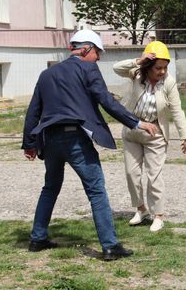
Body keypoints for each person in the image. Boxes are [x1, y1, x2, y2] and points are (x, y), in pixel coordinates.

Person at [22, 29, 158, 261]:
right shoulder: (88, 68)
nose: (98, 58)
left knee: (50, 188)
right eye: (97, 52)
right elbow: (105, 100)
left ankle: (38, 238)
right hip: (75, 138)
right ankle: (110, 246)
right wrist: (137, 122)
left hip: (50, 139)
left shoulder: (47, 74)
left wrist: (29, 143)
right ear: (86, 49)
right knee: (96, 190)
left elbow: (33, 110)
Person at [113, 41, 186, 232]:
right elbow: (116, 68)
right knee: (132, 174)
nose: (162, 72)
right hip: (133, 130)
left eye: (165, 68)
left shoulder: (169, 82)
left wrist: (185, 135)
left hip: (155, 134)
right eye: (158, 68)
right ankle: (141, 209)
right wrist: (139, 61)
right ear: (148, 66)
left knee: (154, 176)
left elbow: (177, 110)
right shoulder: (136, 73)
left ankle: (159, 215)